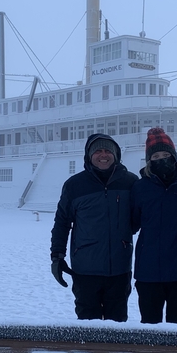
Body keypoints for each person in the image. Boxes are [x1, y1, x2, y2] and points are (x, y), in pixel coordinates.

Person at [50, 134, 138, 321]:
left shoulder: (130, 182)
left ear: (116, 155)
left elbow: (138, 219)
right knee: (88, 328)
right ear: (89, 155)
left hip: (119, 269)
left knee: (118, 324)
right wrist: (57, 256)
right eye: (98, 151)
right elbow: (62, 222)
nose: (103, 155)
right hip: (85, 269)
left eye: (108, 151)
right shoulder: (75, 185)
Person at [129, 128, 177, 324]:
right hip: (148, 272)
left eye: (166, 155)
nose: (161, 159)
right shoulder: (140, 188)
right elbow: (133, 222)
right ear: (149, 160)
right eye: (156, 155)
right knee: (150, 328)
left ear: (174, 156)